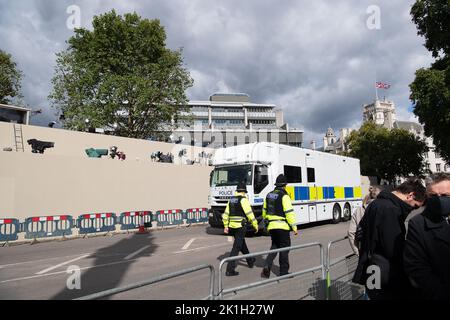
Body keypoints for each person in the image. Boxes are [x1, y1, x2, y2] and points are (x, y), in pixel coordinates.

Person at [352, 178, 426, 300]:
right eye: (415, 206)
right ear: (410, 195)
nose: (413, 210)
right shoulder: (391, 209)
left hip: (372, 270)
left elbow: (360, 233)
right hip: (385, 274)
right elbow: (393, 249)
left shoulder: (375, 204)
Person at [404, 173, 450, 299]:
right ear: (427, 196)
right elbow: (416, 267)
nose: (439, 199)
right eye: (433, 195)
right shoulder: (418, 224)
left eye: (445, 195)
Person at [261, 174, 298, 278]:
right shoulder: (284, 196)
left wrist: (267, 221)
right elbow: (289, 212)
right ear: (285, 185)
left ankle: (267, 266)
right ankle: (283, 272)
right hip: (282, 226)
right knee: (284, 248)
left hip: (271, 226)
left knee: (274, 246)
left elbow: (264, 210)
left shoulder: (269, 195)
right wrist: (294, 227)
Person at [222, 181, 258, 276]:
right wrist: (255, 225)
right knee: (236, 248)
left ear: (237, 191)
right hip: (240, 227)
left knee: (242, 245)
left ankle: (250, 260)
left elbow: (225, 214)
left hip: (231, 227)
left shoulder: (231, 200)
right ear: (244, 191)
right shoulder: (243, 200)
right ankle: (230, 270)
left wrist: (226, 226)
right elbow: (249, 214)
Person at [348, 185, 382, 256]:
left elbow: (351, 233)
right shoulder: (383, 208)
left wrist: (357, 252)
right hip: (380, 252)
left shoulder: (358, 210)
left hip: (364, 251)